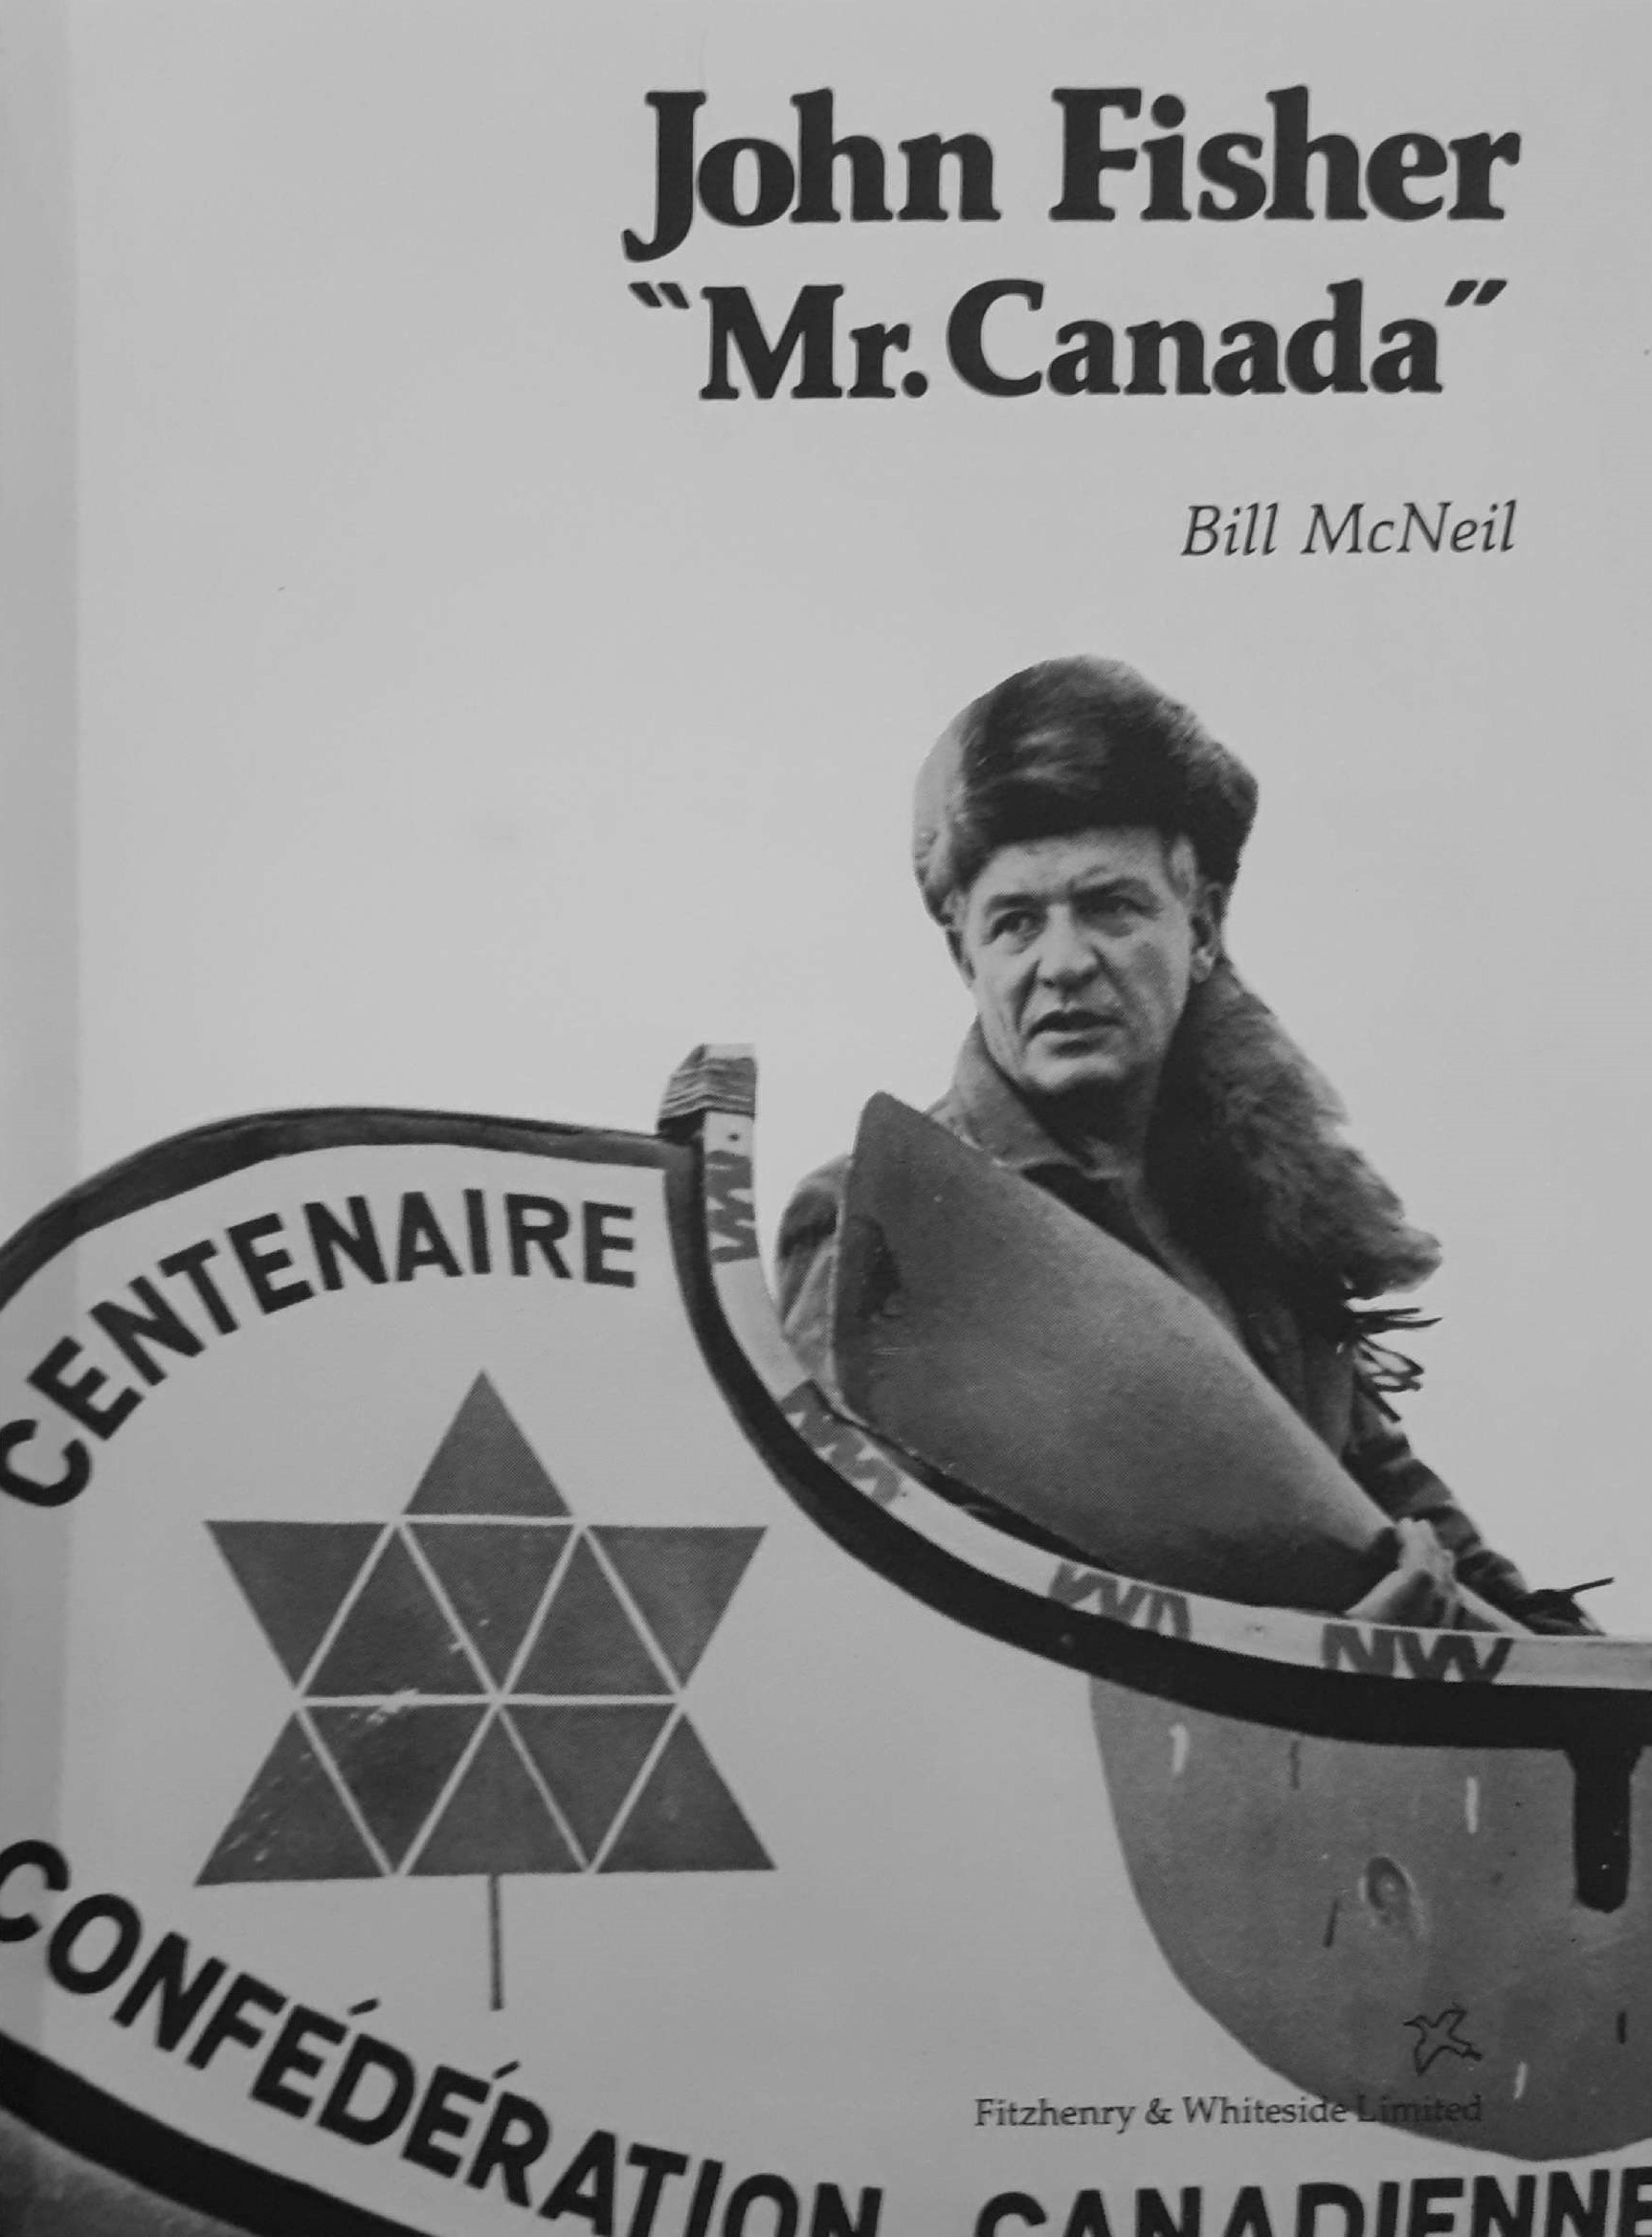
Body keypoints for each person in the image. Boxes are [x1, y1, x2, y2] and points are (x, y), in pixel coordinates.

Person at [776, 656, 1596, 1634]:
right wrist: (1306, 1651)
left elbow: (1421, 1539)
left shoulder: (1262, 1223)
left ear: (1200, 927)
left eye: (1110, 906)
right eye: (1014, 923)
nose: (1063, 962)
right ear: (967, 957)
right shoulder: (888, 1217)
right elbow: (895, 1598)